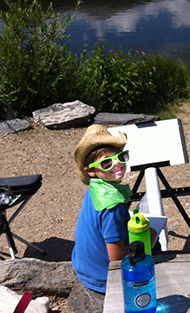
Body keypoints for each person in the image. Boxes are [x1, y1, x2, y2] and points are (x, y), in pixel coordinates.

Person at [68, 124, 133, 312]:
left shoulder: (95, 188)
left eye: (120, 157)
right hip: (102, 277)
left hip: (84, 266)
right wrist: (148, 240)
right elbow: (116, 258)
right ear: (90, 171)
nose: (117, 164)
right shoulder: (112, 205)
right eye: (106, 163)